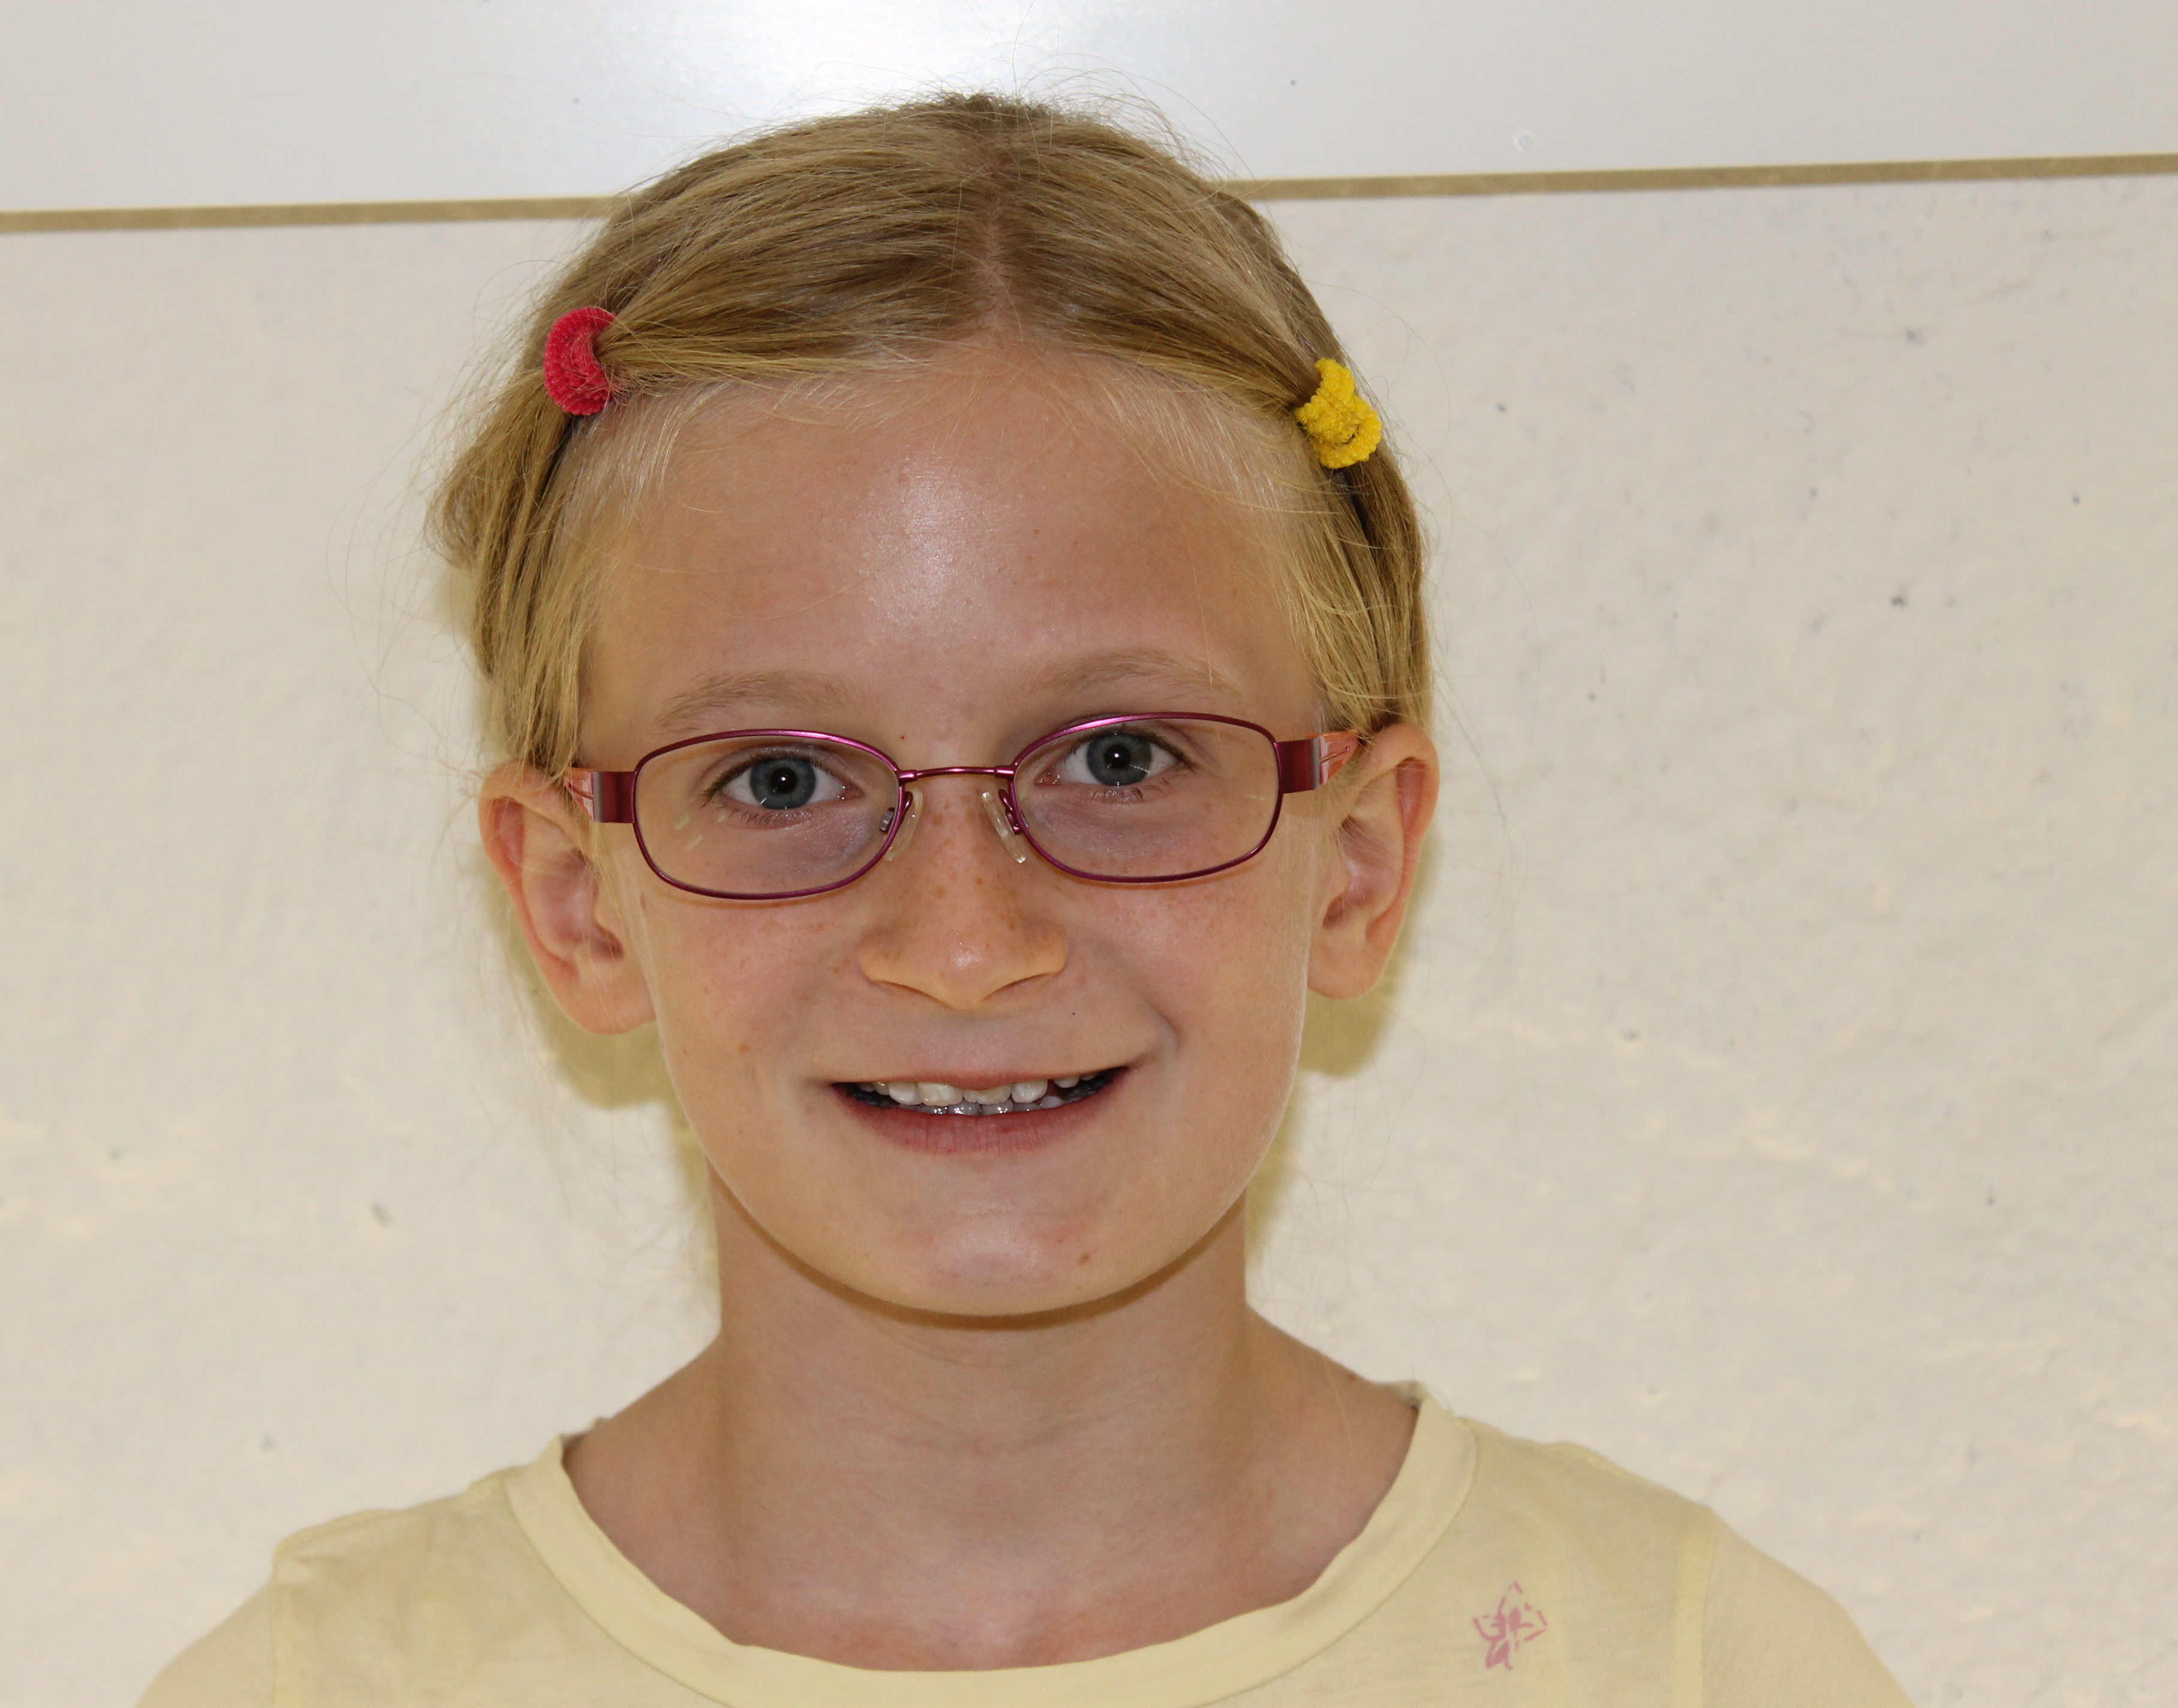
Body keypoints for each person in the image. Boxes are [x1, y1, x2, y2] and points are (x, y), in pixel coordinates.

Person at [140, 93, 1911, 1706]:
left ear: (1359, 862)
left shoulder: (1684, 1669)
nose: (967, 946)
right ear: (576, 906)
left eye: (1119, 760)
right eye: (782, 781)